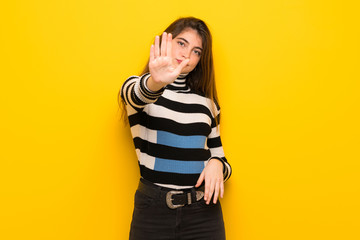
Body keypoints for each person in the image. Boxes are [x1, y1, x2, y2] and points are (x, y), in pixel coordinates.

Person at [118, 16, 232, 240]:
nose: (186, 55)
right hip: (153, 211)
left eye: (196, 51)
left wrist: (218, 164)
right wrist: (156, 82)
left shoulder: (207, 104)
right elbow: (135, 95)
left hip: (204, 212)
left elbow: (222, 163)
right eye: (181, 43)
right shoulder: (141, 88)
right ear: (166, 41)